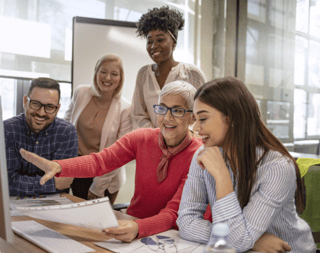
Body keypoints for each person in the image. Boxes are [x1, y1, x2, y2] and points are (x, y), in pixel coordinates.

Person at [20, 81, 211, 242]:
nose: (167, 118)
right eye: (162, 108)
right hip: (131, 221)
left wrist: (138, 227)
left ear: (193, 116)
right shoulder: (141, 138)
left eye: (177, 110)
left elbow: (172, 214)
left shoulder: (198, 155)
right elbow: (100, 162)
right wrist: (60, 166)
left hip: (169, 235)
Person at [177, 77, 316, 252]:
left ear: (232, 119)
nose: (195, 128)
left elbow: (239, 240)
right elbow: (186, 221)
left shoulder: (277, 167)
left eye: (203, 118)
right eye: (195, 119)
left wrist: (221, 175)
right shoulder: (203, 155)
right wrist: (253, 241)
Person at [64, 54, 131, 203]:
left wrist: (98, 186)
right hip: (78, 167)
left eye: (114, 74)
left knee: (98, 223)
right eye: (103, 71)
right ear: (96, 72)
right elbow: (65, 127)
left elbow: (119, 153)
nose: (108, 78)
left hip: (105, 175)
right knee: (78, 219)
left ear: (120, 78)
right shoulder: (81, 92)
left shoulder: (125, 108)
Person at [131, 6, 206, 129]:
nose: (154, 46)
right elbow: (138, 115)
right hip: (152, 144)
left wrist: (177, 137)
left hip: (186, 144)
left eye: (160, 39)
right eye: (149, 41)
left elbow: (202, 114)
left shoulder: (193, 74)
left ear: (174, 42)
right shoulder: (143, 74)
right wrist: (158, 137)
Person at [4, 77, 78, 196]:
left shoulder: (67, 132)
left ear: (57, 109)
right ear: (25, 101)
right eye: (35, 104)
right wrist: (52, 184)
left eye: (49, 107)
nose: (41, 112)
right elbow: (7, 183)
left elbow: (64, 182)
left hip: (53, 205)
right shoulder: (6, 130)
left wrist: (23, 183)